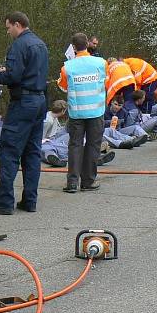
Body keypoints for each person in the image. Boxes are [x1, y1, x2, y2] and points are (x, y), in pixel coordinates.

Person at [0, 11, 49, 215]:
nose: (8, 31)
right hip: (39, 100)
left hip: (23, 102)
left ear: (17, 25)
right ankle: (30, 200)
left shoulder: (19, 45)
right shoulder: (40, 44)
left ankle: (4, 200)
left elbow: (14, 75)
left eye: (8, 27)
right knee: (32, 152)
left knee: (9, 150)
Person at [57, 33, 107, 193]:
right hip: (96, 111)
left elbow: (63, 86)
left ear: (73, 47)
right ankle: (88, 181)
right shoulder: (101, 63)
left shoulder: (68, 67)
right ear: (88, 44)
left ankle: (72, 182)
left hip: (76, 113)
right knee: (93, 146)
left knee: (75, 146)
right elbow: (106, 80)